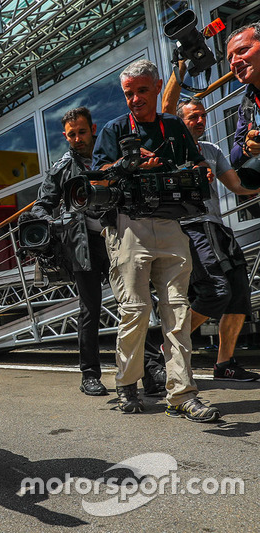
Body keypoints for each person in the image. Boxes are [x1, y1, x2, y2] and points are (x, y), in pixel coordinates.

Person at [91, 59, 219, 422]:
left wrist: (198, 170)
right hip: (127, 225)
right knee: (134, 310)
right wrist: (126, 165)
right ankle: (128, 383)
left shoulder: (175, 126)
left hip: (170, 223)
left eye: (142, 91)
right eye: (129, 93)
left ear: (158, 87)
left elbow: (196, 164)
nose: (135, 99)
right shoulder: (115, 129)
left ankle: (182, 393)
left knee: (177, 310)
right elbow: (97, 177)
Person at [27, 107, 167, 396]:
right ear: (65, 137)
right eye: (71, 135)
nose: (77, 138)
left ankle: (151, 371)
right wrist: (48, 223)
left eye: (81, 132)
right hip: (83, 244)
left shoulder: (115, 155)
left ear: (92, 129)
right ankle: (89, 375)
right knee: (89, 311)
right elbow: (42, 203)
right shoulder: (63, 167)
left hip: (118, 236)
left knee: (134, 303)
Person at [160, 70, 260, 381]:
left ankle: (224, 364)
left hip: (216, 228)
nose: (200, 121)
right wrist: (181, 67)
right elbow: (165, 107)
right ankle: (167, 347)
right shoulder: (169, 147)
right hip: (188, 228)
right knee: (216, 292)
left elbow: (239, 186)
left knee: (240, 295)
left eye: (202, 116)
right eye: (192, 117)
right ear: (180, 122)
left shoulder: (212, 151)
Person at [227, 23, 260, 170]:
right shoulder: (248, 102)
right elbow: (234, 157)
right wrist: (247, 147)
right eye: (230, 59)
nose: (234, 62)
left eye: (243, 50)